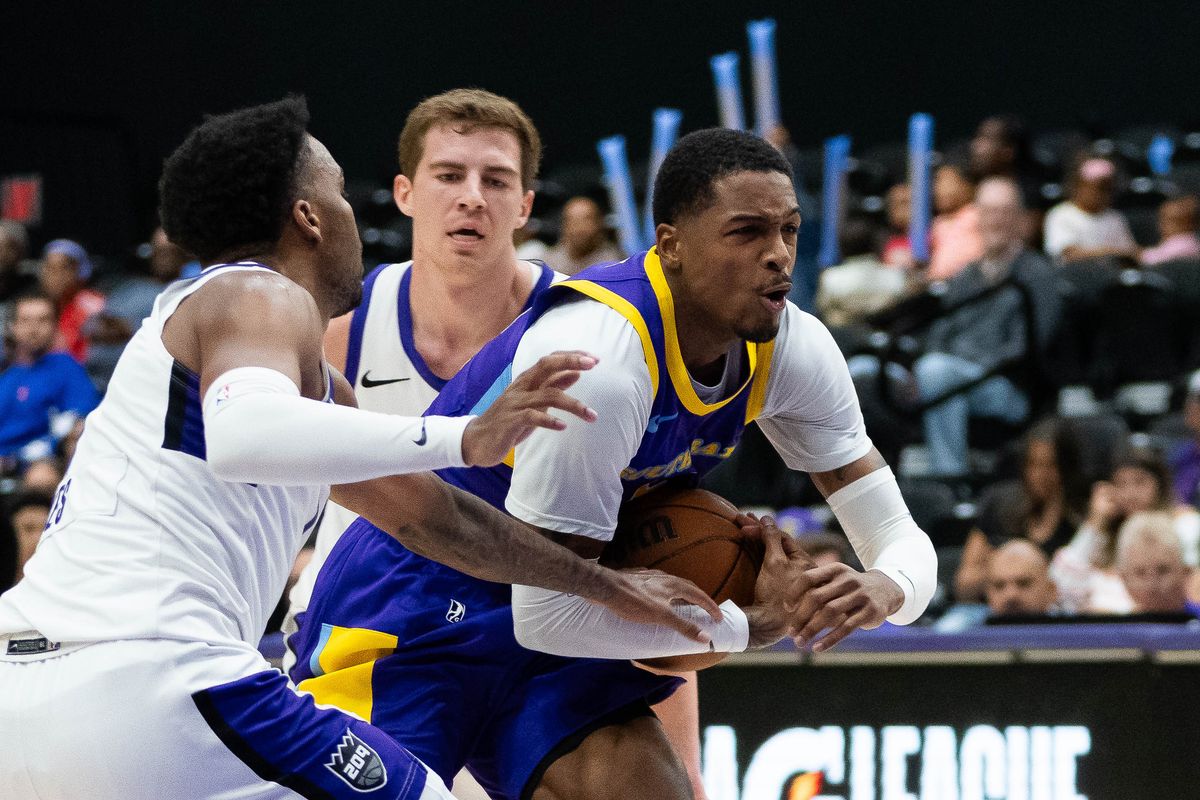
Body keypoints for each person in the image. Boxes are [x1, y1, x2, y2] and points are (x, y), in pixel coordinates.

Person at [0, 97, 716, 800]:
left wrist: (606, 587)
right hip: (153, 679)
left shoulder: (245, 350)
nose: (352, 214)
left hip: (24, 696)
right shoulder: (257, 293)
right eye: (339, 192)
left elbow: (439, 521)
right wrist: (464, 436)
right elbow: (245, 433)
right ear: (308, 218)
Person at [291, 128, 937, 800]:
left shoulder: (793, 348)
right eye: (747, 232)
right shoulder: (601, 363)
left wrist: (884, 589)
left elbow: (900, 538)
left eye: (789, 230)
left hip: (567, 612)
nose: (778, 255)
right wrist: (756, 623)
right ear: (671, 245)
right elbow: (544, 614)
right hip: (415, 611)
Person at [284, 88, 709, 800]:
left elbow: (647, 543)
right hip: (376, 624)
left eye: (497, 180)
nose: (472, 198)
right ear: (405, 193)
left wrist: (685, 752)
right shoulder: (343, 329)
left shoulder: (601, 331)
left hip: (540, 630)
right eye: (449, 175)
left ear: (525, 205)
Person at [850, 177, 1060, 479]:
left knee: (937, 372)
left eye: (1004, 212)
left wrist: (951, 366)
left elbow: (1030, 345)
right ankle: (870, 482)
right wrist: (918, 369)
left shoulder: (1037, 274)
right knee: (863, 370)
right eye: (988, 212)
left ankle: (949, 479)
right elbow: (940, 332)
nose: (995, 220)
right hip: (941, 372)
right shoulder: (966, 275)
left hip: (1006, 386)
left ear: (1020, 219)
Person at [1052, 448, 1200, 613]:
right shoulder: (1103, 536)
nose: (1131, 494)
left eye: (1140, 482)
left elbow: (1192, 589)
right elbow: (1059, 587)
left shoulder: (1185, 524)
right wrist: (1096, 521)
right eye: (1121, 484)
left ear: (1159, 485)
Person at [954, 418, 1084, 601]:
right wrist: (1002, 568)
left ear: (1068, 468)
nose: (1041, 475)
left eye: (1051, 465)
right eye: (1034, 464)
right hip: (992, 610)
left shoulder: (1084, 520)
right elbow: (964, 587)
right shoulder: (998, 504)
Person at [0, 292, 99, 473]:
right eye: (26, 320)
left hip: (42, 463)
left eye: (43, 320)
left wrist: (17, 460)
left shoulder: (65, 366)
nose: (34, 329)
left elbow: (79, 422)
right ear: (13, 327)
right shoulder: (6, 376)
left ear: (55, 325)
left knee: (41, 475)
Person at [815, 213, 906, 327]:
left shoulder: (831, 277)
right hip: (884, 331)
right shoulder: (895, 276)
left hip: (841, 333)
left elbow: (822, 309)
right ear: (875, 244)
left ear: (843, 245)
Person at [1043, 156, 1138, 263]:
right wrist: (1111, 252)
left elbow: (1131, 253)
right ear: (1079, 186)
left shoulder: (1115, 217)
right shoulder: (1060, 214)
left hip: (1112, 272)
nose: (1101, 194)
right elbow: (1069, 254)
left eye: (1107, 190)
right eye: (1097, 188)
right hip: (1073, 272)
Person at [1114, 512, 1200, 616]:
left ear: (1185, 572)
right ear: (1123, 578)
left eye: (1163, 571)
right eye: (1140, 573)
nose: (1152, 584)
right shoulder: (1112, 624)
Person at [38, 239, 106, 363]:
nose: (56, 276)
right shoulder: (36, 305)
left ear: (80, 272)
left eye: (64, 268)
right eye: (49, 268)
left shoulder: (91, 304)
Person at [926, 160, 983, 282]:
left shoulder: (976, 213)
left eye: (948, 183)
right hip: (940, 283)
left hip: (971, 281)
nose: (940, 190)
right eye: (937, 183)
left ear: (968, 186)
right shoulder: (938, 223)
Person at [544, 196, 624, 275]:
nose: (579, 228)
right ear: (564, 226)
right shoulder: (549, 264)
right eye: (573, 221)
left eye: (586, 221)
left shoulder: (613, 265)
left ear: (599, 224)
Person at [984, 539, 1060, 618]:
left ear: (1051, 590)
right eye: (999, 586)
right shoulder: (975, 624)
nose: (1011, 595)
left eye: (1023, 583)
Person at [1140, 194, 1200, 266]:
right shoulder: (1173, 241)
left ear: (1189, 224)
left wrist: (1132, 252)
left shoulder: (1184, 242)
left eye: (1170, 221)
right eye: (1162, 220)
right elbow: (1151, 253)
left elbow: (1151, 260)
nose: (1161, 225)